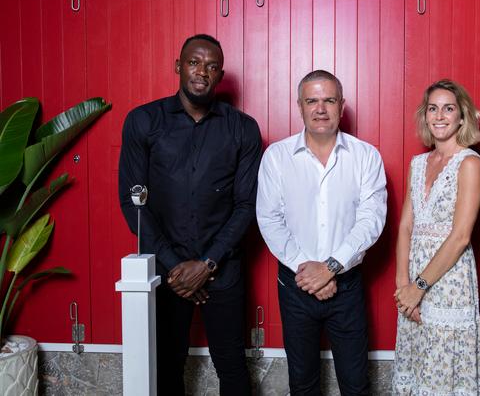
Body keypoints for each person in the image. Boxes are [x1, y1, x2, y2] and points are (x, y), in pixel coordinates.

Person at [118, 34, 262, 396]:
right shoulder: (143, 121)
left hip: (222, 268)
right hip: (165, 270)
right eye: (194, 62)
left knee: (232, 365)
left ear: (220, 75)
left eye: (212, 66)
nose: (202, 72)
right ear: (178, 67)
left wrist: (206, 264)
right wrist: (177, 268)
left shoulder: (243, 128)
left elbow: (246, 205)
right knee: (166, 364)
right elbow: (132, 203)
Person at [256, 70, 387, 395]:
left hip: (347, 286)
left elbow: (371, 220)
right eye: (311, 101)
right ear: (299, 105)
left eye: (329, 100)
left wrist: (330, 268)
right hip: (295, 285)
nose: (320, 108)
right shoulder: (277, 157)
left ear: (341, 105)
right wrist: (308, 272)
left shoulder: (366, 156)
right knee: (302, 383)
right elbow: (269, 219)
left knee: (356, 384)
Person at [392, 79, 480, 395]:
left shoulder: (469, 163)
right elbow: (406, 226)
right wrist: (403, 287)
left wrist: (418, 287)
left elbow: (460, 237)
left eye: (448, 108)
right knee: (416, 364)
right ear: (425, 115)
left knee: (441, 373)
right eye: (433, 108)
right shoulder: (418, 163)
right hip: (412, 281)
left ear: (462, 116)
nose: (440, 116)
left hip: (448, 281)